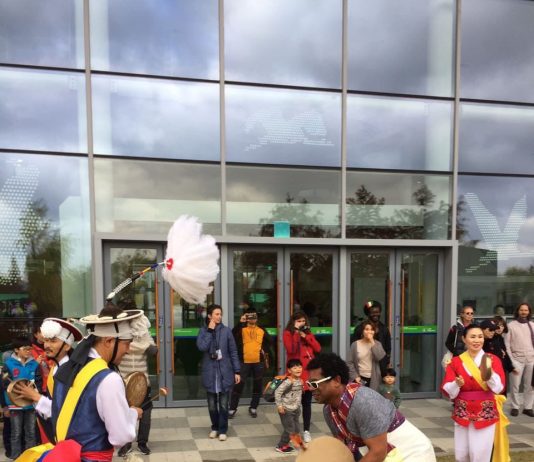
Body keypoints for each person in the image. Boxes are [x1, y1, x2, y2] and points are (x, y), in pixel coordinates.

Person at [17, 303, 144, 461]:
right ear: (109, 341)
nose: (128, 350)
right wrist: (132, 414)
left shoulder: (64, 370)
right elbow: (120, 437)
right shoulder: (109, 379)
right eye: (127, 343)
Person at [307, 352, 435, 461]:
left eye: (314, 383)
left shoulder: (363, 401)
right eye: (309, 384)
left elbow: (378, 452)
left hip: (412, 453)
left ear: (336, 380)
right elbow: (343, 449)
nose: (310, 388)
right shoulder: (329, 410)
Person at [441, 324, 508, 462]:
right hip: (462, 412)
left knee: (479, 453)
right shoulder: (455, 362)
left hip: (485, 412)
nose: (477, 340)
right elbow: (447, 389)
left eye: (480, 337)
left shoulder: (492, 360)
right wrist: (456, 384)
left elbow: (499, 388)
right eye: (472, 337)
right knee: (461, 454)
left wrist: (489, 374)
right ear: (464, 339)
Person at [13, 318, 83, 443]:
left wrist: (35, 396)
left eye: (53, 341)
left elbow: (66, 411)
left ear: (67, 346)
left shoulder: (73, 372)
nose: (47, 345)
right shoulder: (56, 367)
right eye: (46, 340)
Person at [196, 304, 240, 441]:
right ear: (210, 316)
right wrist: (210, 331)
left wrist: (237, 371)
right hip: (210, 373)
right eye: (216, 314)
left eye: (220, 314)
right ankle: (214, 427)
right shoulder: (203, 331)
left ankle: (222, 430)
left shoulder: (226, 331)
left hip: (224, 372)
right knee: (211, 405)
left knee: (223, 405)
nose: (219, 316)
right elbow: (201, 347)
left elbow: (233, 351)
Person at [117, 310, 158, 456]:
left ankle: (142, 443)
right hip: (124, 381)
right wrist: (142, 346)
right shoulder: (119, 335)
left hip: (143, 381)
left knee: (146, 412)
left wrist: (144, 340)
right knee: (124, 413)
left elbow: (153, 349)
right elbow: (125, 347)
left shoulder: (144, 333)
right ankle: (125, 444)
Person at [1, 336, 41, 459]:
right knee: (16, 433)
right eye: (25, 349)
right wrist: (5, 406)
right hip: (14, 405)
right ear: (16, 350)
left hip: (31, 404)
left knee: (31, 433)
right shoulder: (8, 365)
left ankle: (30, 458)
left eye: (30, 349)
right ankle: (16, 458)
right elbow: (4, 386)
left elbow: (38, 383)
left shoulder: (34, 364)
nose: (28, 351)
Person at [283, 311, 321, 443]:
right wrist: (296, 334)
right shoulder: (288, 333)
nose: (301, 323)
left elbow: (318, 348)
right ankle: (292, 431)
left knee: (307, 404)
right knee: (292, 405)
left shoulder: (308, 333)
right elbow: (291, 350)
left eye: (303, 321)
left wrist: (306, 337)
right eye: (299, 321)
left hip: (308, 375)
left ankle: (306, 430)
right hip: (295, 374)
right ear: (293, 322)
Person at [229, 306, 271, 418]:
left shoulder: (261, 329)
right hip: (243, 361)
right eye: (250, 316)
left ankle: (253, 407)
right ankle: (232, 408)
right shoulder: (241, 328)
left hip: (258, 362)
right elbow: (232, 336)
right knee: (238, 385)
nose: (252, 318)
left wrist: (263, 349)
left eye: (254, 316)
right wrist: (240, 323)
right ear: (246, 317)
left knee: (257, 385)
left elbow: (269, 341)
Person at [504, 302, 534, 417]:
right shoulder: (511, 325)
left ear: (529, 312)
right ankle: (515, 407)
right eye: (521, 310)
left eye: (526, 310)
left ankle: (528, 407)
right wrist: (512, 361)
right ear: (518, 311)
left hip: (531, 359)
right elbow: (507, 345)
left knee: (530, 385)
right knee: (515, 385)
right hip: (516, 359)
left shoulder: (532, 325)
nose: (524, 312)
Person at [351, 300, 391, 375]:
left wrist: (386, 363)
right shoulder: (359, 329)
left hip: (380, 367)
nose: (375, 314)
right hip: (363, 368)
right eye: (372, 312)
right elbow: (353, 349)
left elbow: (388, 349)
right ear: (368, 314)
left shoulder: (384, 329)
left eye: (377, 312)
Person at [274, 358, 304, 454]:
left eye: (299, 367)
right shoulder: (288, 381)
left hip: (296, 408)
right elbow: (277, 392)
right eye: (295, 368)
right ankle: (281, 446)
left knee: (296, 428)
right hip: (286, 409)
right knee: (289, 429)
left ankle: (297, 443)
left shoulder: (300, 381)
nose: (298, 369)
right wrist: (279, 406)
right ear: (289, 370)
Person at [346, 321, 385, 390]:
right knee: (360, 396)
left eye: (372, 329)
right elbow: (349, 362)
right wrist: (355, 376)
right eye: (367, 329)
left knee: (372, 396)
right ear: (362, 331)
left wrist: (372, 341)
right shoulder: (355, 344)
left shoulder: (377, 344)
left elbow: (379, 357)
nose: (369, 332)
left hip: (374, 378)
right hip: (360, 378)